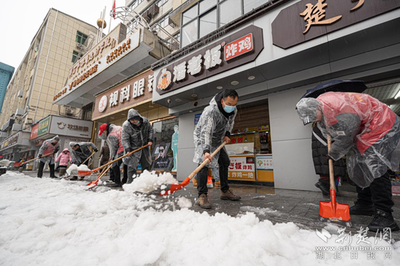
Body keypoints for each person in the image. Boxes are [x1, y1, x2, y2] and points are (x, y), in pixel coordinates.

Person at [296, 92, 400, 231]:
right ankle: (365, 203)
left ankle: (385, 215)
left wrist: (333, 153)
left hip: (380, 124)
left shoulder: (339, 110)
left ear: (316, 109)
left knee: (375, 168)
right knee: (359, 165)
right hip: (365, 127)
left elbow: (346, 136)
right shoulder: (323, 106)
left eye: (313, 117)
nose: (314, 120)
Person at [193, 89, 241, 209]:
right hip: (203, 138)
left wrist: (227, 135)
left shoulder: (233, 110)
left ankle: (225, 191)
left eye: (234, 105)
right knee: (203, 164)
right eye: (229, 104)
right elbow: (206, 132)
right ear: (222, 101)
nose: (232, 107)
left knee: (224, 162)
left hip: (218, 139)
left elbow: (230, 123)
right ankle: (202, 195)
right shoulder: (210, 111)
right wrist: (206, 151)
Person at [311, 123, 346, 196]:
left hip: (325, 145)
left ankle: (327, 188)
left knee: (333, 168)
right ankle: (324, 183)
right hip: (325, 145)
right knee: (334, 167)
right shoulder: (321, 124)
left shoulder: (320, 125)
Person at [121, 109, 153, 183]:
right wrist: (128, 149)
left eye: (135, 119)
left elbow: (150, 130)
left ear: (139, 118)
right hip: (133, 149)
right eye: (132, 120)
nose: (134, 121)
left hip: (144, 147)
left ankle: (146, 183)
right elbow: (125, 138)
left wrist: (150, 139)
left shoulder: (145, 121)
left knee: (146, 166)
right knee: (131, 167)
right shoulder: (126, 126)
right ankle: (131, 184)